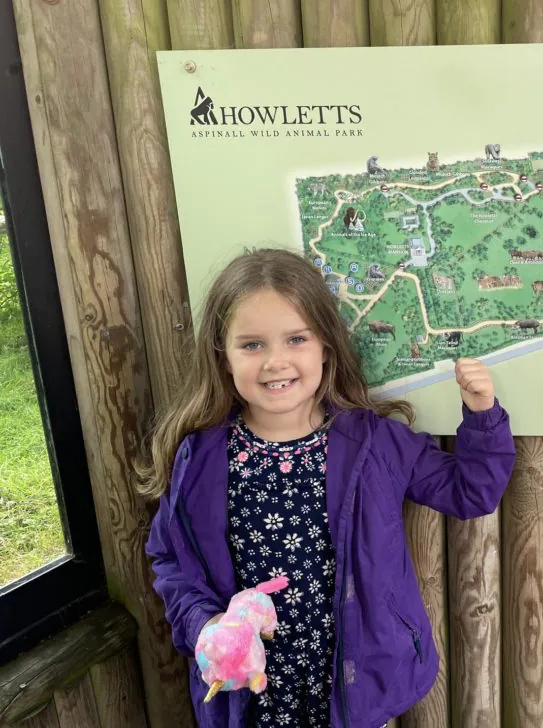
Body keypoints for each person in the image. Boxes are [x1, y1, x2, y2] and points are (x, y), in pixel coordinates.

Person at [141, 247, 516, 728]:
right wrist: (204, 625)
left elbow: (471, 491)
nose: (276, 361)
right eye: (252, 345)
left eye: (296, 338)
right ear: (223, 355)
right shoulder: (202, 458)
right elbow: (169, 558)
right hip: (251, 694)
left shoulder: (374, 443)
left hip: (353, 689)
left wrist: (482, 413)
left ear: (326, 346)